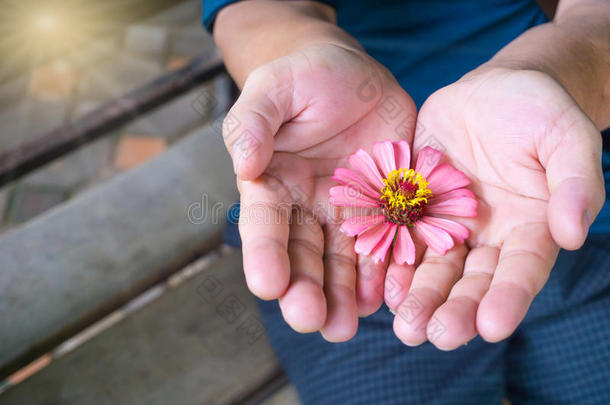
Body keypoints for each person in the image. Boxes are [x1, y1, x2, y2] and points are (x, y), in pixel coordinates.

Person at [203, 1, 610, 403]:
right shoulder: (357, 212)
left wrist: (561, 67)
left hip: (552, 203)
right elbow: (250, 12)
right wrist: (302, 54)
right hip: (346, 243)